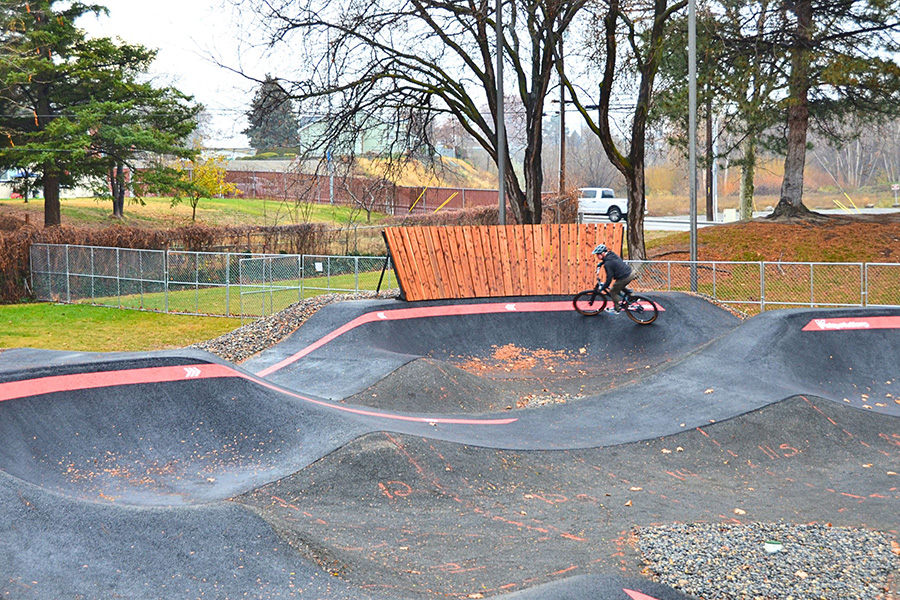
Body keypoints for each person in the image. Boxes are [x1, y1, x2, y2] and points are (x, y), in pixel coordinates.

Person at [592, 243, 637, 312]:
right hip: (630, 273)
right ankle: (632, 296)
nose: (597, 256)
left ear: (603, 253)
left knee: (613, 292)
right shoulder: (611, 254)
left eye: (598, 254)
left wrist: (604, 287)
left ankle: (616, 309)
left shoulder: (608, 264)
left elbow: (609, 278)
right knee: (619, 286)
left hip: (625, 277)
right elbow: (609, 260)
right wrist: (601, 263)